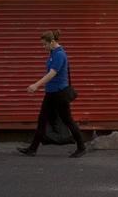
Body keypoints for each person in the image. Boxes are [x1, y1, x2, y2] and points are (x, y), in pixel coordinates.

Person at [17, 30, 86, 158]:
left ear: (52, 42)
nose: (43, 47)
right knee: (42, 120)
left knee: (68, 121)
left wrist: (36, 85)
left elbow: (51, 74)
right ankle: (32, 149)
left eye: (45, 45)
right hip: (51, 93)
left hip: (59, 94)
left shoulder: (60, 54)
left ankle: (81, 147)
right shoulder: (53, 53)